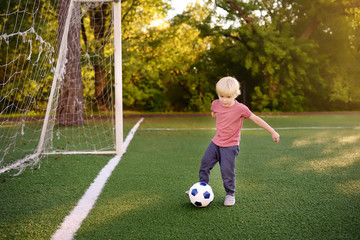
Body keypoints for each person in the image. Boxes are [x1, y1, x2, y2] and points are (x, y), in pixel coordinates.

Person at [191, 76, 280, 206]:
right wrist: (214, 114)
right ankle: (200, 189)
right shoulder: (216, 103)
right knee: (205, 164)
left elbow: (256, 119)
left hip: (230, 146)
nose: (224, 100)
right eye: (221, 96)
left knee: (227, 171)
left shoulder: (241, 109)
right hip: (216, 142)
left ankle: (230, 193)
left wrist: (272, 131)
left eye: (228, 97)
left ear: (235, 95)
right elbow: (214, 112)